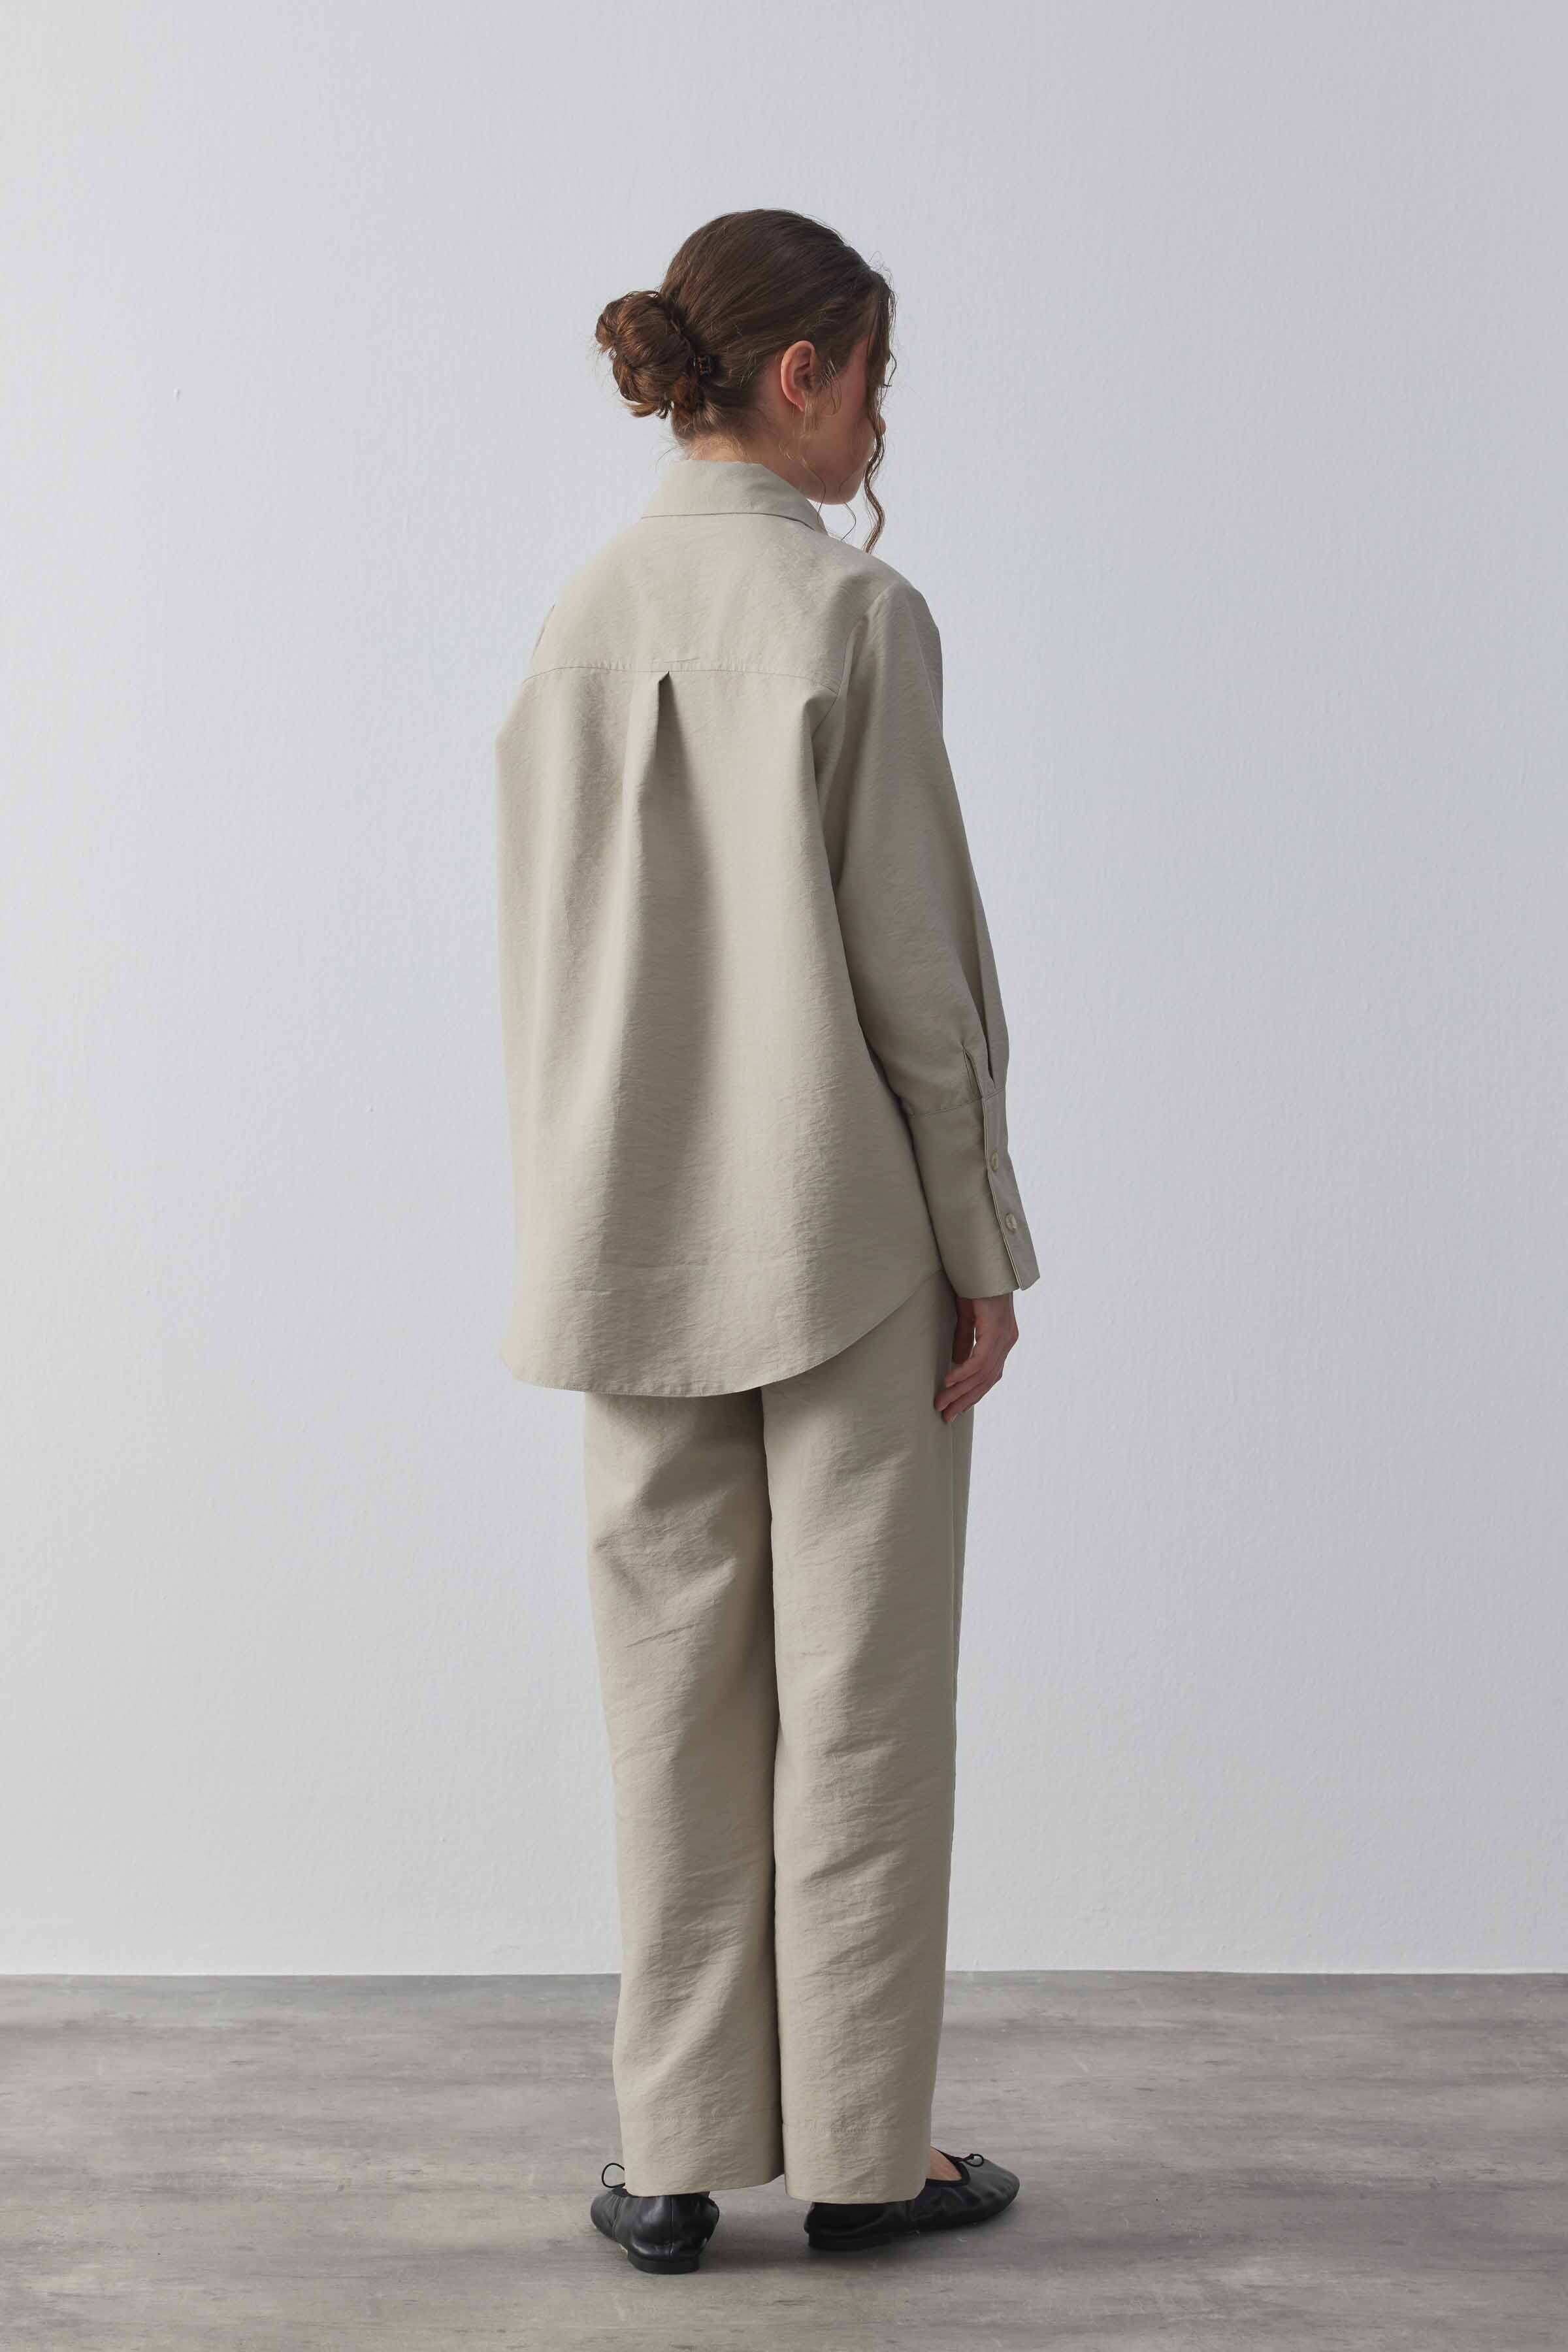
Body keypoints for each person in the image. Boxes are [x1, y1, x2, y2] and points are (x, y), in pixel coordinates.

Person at [494, 208, 1039, 2274]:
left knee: (670, 1707)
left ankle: (671, 2158)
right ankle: (867, 2161)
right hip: (841, 1241)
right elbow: (916, 977)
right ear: (802, 371)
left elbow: (549, 958)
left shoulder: (575, 616)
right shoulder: (854, 616)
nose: (884, 420)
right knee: (861, 1706)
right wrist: (984, 1242)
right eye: (876, 375)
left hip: (621, 1242)